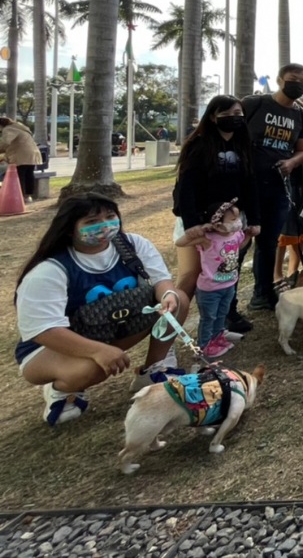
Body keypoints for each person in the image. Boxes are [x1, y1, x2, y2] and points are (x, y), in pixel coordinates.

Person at [14, 194, 192, 426]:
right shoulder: (50, 270)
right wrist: (98, 351)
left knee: (179, 299)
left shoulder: (132, 244)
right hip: (51, 346)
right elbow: (44, 331)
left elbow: (160, 280)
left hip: (109, 326)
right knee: (94, 367)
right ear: (69, 229)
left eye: (110, 216)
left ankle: (153, 370)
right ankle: (61, 390)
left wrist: (167, 295)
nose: (105, 225)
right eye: (91, 221)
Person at [172, 95, 262, 334]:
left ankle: (221, 326)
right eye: (227, 114)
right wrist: (192, 224)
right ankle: (167, 335)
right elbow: (186, 188)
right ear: (213, 117)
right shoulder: (199, 145)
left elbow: (250, 186)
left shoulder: (244, 146)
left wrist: (254, 220)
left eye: (238, 114)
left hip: (231, 224)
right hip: (200, 225)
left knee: (227, 272)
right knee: (189, 277)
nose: (234, 118)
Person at [241, 64, 303, 311]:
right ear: (280, 79)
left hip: (279, 187)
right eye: (293, 79)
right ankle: (227, 307)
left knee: (269, 242)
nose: (298, 84)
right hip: (247, 185)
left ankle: (263, 295)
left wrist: (291, 163)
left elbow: (302, 151)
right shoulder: (254, 104)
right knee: (238, 243)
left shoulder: (302, 117)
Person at [174, 200, 247, 358]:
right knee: (209, 318)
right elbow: (180, 243)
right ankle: (204, 346)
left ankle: (217, 337)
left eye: (238, 217)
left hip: (229, 284)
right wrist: (201, 229)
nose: (238, 222)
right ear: (217, 223)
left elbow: (240, 245)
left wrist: (250, 235)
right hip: (210, 289)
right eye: (233, 219)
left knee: (222, 314)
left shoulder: (236, 234)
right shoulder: (207, 239)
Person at [0, 116, 40, 203]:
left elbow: (5, 142)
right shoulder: (20, 127)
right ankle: (28, 196)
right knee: (29, 174)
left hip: (21, 155)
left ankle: (21, 196)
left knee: (19, 175)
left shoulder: (9, 129)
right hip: (32, 154)